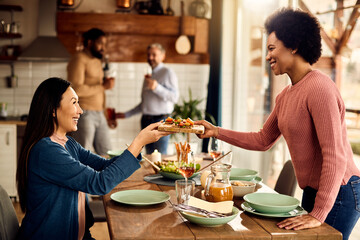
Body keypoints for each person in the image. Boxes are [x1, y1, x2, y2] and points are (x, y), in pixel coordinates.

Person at [195, 8, 360, 240]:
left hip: (341, 192)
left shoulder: (320, 88)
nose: (267, 56)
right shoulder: (285, 95)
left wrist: (319, 212)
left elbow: (334, 155)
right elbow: (263, 140)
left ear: (293, 45)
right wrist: (216, 132)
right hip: (315, 190)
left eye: (272, 48)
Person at [16, 77, 170, 239]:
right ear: (53, 110)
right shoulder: (46, 150)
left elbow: (104, 166)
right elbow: (99, 183)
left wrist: (138, 144)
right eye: (74, 102)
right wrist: (139, 141)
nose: (80, 110)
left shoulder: (69, 144)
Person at [117, 43, 179, 154]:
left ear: (162, 56)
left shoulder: (167, 72)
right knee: (150, 157)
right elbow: (145, 104)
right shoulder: (149, 75)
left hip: (161, 121)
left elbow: (174, 97)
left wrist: (157, 88)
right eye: (149, 55)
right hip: (146, 121)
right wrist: (126, 114)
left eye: (154, 55)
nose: (150, 58)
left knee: (160, 157)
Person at [67, 28, 115, 156]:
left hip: (99, 114)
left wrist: (106, 114)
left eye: (104, 44)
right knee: (82, 155)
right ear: (89, 42)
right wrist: (103, 86)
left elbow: (99, 90)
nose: (103, 48)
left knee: (107, 154)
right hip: (84, 113)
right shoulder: (79, 59)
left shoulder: (97, 60)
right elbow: (75, 89)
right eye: (100, 43)